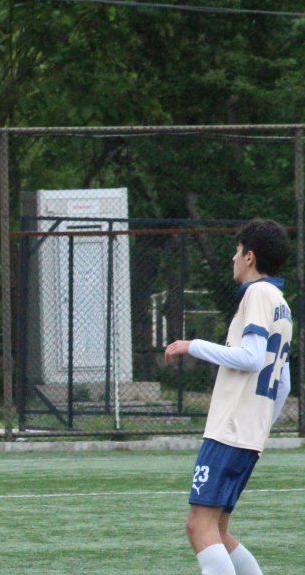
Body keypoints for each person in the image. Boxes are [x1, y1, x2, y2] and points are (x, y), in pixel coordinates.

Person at [164, 219, 292, 575]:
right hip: (247, 433)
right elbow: (283, 384)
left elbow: (251, 358)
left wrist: (194, 345)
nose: (233, 258)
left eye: (236, 251)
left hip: (230, 430)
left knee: (199, 526)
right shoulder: (281, 303)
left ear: (249, 257)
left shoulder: (257, 294)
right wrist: (259, 426)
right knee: (218, 529)